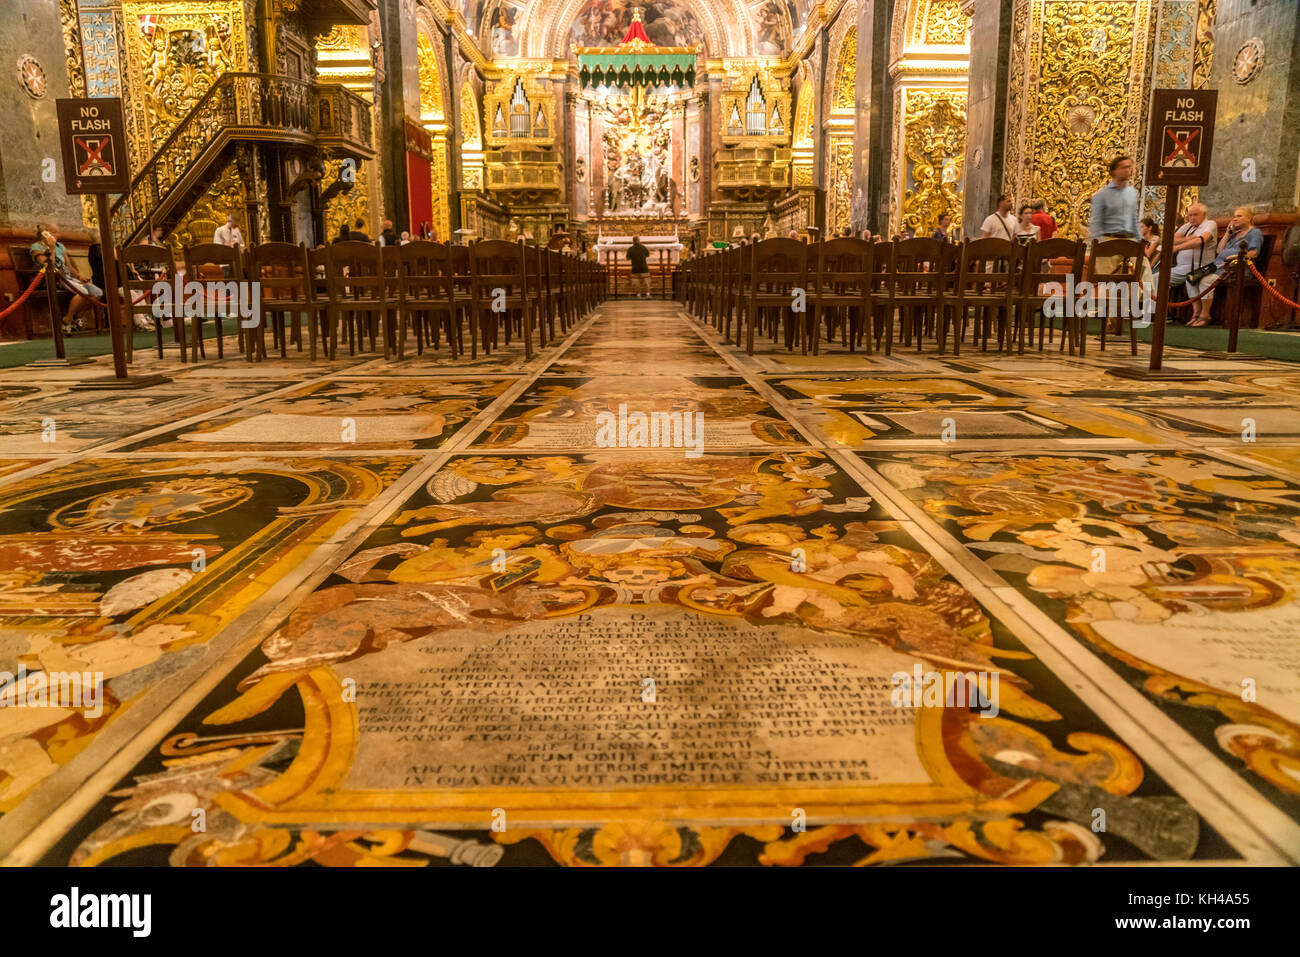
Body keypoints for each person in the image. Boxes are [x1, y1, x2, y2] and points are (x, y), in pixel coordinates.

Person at [30, 223, 102, 334]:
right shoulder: (36, 247)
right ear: (44, 233)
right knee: (83, 292)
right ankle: (67, 319)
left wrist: (79, 276)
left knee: (97, 293)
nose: (57, 234)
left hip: (68, 277)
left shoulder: (60, 246)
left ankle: (77, 316)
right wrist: (52, 248)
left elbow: (69, 266)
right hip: (55, 278)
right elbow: (49, 265)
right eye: (53, 232)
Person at [1201, 205, 1265, 326]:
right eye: (1234, 216)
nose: (1235, 219)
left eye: (1239, 216)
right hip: (1219, 266)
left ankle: (1204, 315)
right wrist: (1227, 233)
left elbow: (1253, 253)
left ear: (1249, 218)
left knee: (1205, 280)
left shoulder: (1254, 233)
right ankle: (1197, 314)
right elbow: (1219, 250)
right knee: (1193, 277)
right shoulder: (1234, 234)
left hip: (1236, 269)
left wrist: (1236, 257)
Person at [1169, 202, 1217, 327]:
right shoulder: (1187, 226)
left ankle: (1202, 315)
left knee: (1192, 279)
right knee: (1157, 278)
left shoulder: (1210, 224)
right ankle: (1155, 313)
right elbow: (1173, 239)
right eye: (1189, 215)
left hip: (1202, 267)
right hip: (1181, 268)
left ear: (1204, 214)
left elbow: (1201, 241)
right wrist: (1189, 239)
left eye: (1195, 215)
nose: (1192, 218)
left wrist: (1177, 248)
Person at [1088, 156, 1139, 243]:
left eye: (1129, 167)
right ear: (1114, 171)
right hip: (1109, 240)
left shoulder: (1132, 193)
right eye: (1124, 167)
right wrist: (1096, 246)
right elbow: (1096, 223)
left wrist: (1139, 239)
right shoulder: (1102, 195)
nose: (1128, 170)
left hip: (1129, 240)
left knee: (1144, 257)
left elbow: (1134, 219)